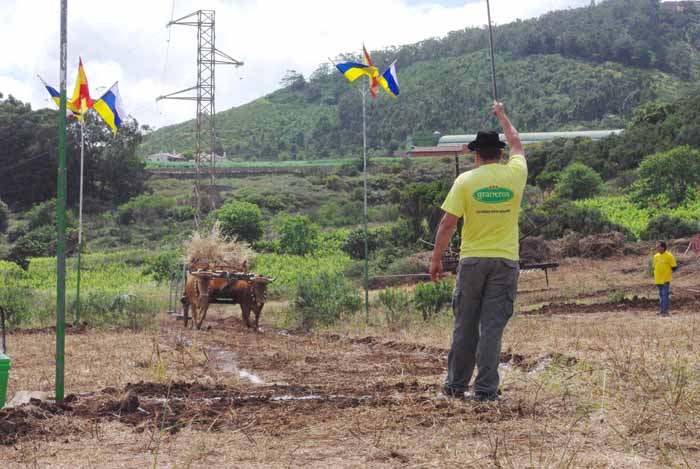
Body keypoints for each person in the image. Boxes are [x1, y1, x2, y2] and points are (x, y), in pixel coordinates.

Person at [430, 101, 526, 402]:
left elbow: (447, 225)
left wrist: (436, 260)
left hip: (471, 262)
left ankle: (456, 386)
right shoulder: (515, 174)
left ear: (475, 155)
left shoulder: (465, 181)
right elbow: (517, 142)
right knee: (492, 329)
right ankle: (485, 391)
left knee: (465, 326)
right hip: (505, 261)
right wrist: (501, 114)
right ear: (500, 154)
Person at [653, 241, 677, 317]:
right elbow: (655, 267)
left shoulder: (669, 256)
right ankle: (662, 311)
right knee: (661, 295)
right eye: (656, 247)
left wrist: (667, 272)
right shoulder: (655, 256)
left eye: (658, 247)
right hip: (657, 279)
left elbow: (674, 267)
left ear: (663, 247)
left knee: (664, 295)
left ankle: (665, 312)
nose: (657, 248)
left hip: (665, 279)